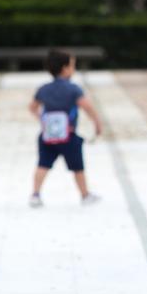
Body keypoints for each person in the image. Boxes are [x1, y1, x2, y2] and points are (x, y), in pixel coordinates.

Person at [28, 50, 103, 207]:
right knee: (77, 167)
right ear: (65, 68)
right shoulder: (74, 89)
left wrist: (43, 120)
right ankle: (84, 194)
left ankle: (35, 194)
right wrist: (97, 122)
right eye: (72, 66)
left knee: (43, 164)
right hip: (69, 135)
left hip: (48, 135)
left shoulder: (44, 89)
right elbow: (86, 106)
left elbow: (32, 107)